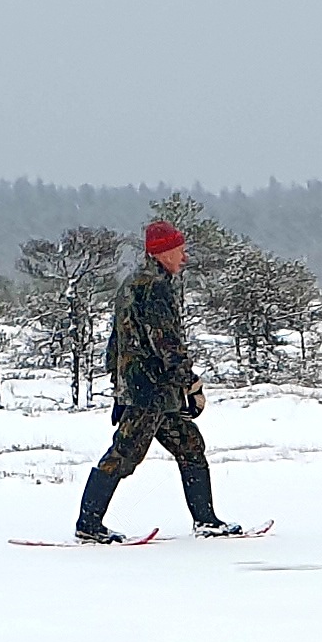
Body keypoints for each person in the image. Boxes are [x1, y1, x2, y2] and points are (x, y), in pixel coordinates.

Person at [74, 219, 238, 542]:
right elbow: (167, 343)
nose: (185, 257)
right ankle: (88, 523)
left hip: (148, 391)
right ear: (162, 253)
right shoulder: (156, 287)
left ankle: (206, 520)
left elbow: (115, 343)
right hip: (149, 393)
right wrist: (190, 384)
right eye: (180, 250)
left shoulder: (131, 284)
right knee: (124, 454)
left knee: (189, 445)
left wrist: (118, 384)